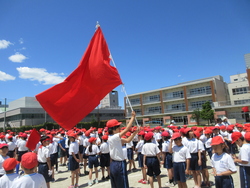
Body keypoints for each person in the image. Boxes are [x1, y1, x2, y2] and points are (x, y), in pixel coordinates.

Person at [106, 111, 136, 188]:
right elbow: (127, 129)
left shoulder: (112, 138)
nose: (120, 128)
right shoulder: (114, 137)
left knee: (116, 184)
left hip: (113, 164)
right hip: (119, 163)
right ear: (113, 129)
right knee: (123, 184)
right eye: (118, 126)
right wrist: (132, 117)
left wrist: (134, 133)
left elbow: (127, 140)